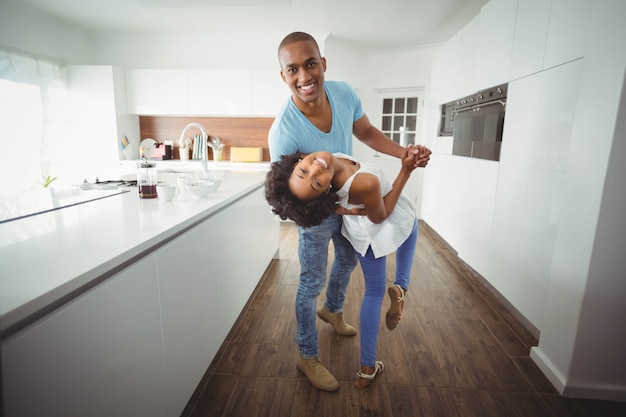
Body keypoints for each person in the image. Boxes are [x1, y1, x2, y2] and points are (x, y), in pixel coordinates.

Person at [268, 31, 431, 391]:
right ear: (283, 76)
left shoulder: (343, 93)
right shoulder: (284, 132)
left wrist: (402, 154)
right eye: (292, 69)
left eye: (310, 64)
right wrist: (336, 210)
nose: (304, 76)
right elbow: (292, 196)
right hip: (316, 210)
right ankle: (307, 356)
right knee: (310, 284)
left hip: (346, 196)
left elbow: (368, 131)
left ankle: (334, 309)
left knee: (347, 260)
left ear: (322, 63)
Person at [265, 148, 422, 388]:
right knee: (410, 222)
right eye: (315, 181)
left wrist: (345, 209)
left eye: (304, 171)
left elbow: (324, 200)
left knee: (370, 286)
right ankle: (401, 286)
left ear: (297, 161)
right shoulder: (363, 182)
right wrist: (406, 170)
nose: (315, 169)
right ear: (326, 190)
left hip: (360, 232)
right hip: (375, 229)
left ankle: (366, 365)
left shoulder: (328, 163)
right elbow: (380, 216)